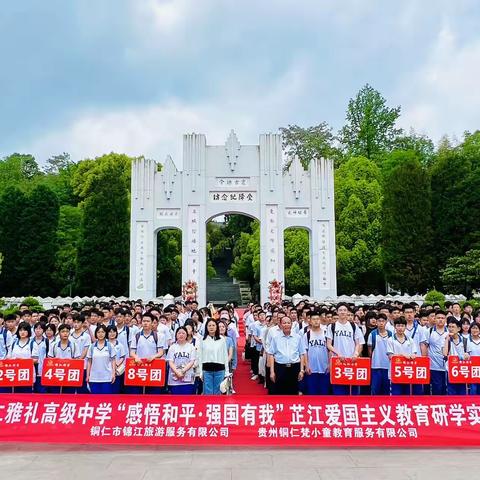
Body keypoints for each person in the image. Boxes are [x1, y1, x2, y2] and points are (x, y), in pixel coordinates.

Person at [326, 303, 365, 395]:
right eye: (340, 310)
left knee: (354, 388)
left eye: (344, 310)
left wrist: (356, 353)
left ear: (347, 312)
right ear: (337, 312)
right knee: (339, 389)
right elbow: (328, 344)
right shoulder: (332, 326)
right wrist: (338, 353)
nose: (342, 312)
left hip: (352, 361)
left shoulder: (353, 326)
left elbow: (358, 343)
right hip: (338, 361)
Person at [267, 316, 306, 395]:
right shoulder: (275, 338)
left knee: (293, 391)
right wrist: (272, 371)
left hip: (294, 367)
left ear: (291, 324)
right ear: (280, 325)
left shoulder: (298, 337)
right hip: (280, 367)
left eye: (288, 323)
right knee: (279, 392)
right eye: (284, 323)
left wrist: (302, 370)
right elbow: (271, 354)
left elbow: (302, 354)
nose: (286, 325)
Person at [386, 317, 417, 395]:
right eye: (398, 326)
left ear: (405, 327)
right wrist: (403, 356)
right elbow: (390, 356)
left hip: (407, 372)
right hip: (395, 372)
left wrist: (412, 356)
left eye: (402, 326)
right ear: (395, 327)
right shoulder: (390, 340)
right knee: (396, 394)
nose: (400, 328)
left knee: (407, 395)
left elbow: (414, 353)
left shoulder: (410, 340)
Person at [198, 319, 229, 395]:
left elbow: (225, 355)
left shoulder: (222, 339)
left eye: (213, 325)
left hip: (220, 369)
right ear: (206, 327)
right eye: (209, 325)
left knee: (218, 391)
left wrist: (227, 372)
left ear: (216, 327)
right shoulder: (202, 340)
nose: (211, 327)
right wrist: (200, 372)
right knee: (207, 392)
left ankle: (216, 407)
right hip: (207, 369)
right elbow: (200, 356)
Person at [421, 310, 449, 395]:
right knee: (436, 388)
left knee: (446, 389)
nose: (440, 320)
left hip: (447, 366)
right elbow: (424, 346)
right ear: (434, 319)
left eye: (442, 318)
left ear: (445, 320)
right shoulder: (429, 331)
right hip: (433, 366)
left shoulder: (449, 331)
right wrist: (425, 362)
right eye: (438, 318)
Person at [303, 311, 330, 395]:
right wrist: (306, 366)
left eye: (317, 319)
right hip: (312, 369)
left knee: (324, 393)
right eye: (313, 319)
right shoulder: (306, 335)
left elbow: (330, 350)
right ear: (310, 321)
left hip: (325, 368)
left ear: (321, 320)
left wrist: (329, 364)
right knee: (312, 393)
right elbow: (304, 351)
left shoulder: (326, 334)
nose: (316, 321)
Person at [7, 321, 38, 393]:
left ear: (28, 331)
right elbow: (9, 357)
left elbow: (35, 360)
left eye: (25, 330)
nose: (22, 332)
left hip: (27, 374)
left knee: (27, 395)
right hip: (15, 374)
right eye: (20, 330)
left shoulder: (32, 343)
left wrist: (22, 361)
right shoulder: (14, 343)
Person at [443, 319, 470, 395]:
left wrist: (466, 355)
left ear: (458, 328)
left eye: (453, 327)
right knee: (451, 392)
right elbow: (445, 353)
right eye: (449, 327)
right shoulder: (446, 339)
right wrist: (447, 339)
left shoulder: (464, 340)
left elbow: (468, 354)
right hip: (450, 370)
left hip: (462, 370)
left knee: (462, 392)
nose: (451, 329)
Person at [86, 324, 116, 394]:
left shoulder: (109, 346)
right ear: (96, 333)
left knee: (106, 400)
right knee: (95, 400)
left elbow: (113, 360)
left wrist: (113, 374)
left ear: (105, 333)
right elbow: (89, 362)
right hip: (94, 378)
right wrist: (88, 375)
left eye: (102, 332)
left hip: (107, 377)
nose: (100, 334)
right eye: (98, 332)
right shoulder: (92, 346)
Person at [166, 326, 197, 394]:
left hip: (187, 378)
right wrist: (177, 372)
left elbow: (192, 361)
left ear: (186, 335)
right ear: (176, 335)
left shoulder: (191, 347)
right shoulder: (172, 347)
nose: (181, 335)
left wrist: (182, 371)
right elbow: (170, 361)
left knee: (187, 400)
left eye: (183, 333)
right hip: (174, 379)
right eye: (179, 333)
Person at [367, 314, 392, 395]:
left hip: (388, 366)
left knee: (387, 390)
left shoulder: (391, 334)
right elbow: (370, 350)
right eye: (379, 321)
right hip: (376, 365)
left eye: (383, 321)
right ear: (376, 322)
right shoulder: (372, 334)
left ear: (386, 322)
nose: (381, 323)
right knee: (375, 389)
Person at [69, 314, 92, 393]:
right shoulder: (69, 335)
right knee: (71, 387)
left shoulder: (86, 336)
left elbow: (86, 350)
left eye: (78, 322)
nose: (76, 324)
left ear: (82, 323)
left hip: (83, 365)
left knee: (82, 387)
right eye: (74, 322)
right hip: (71, 365)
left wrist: (79, 360)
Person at [107, 325, 127, 394]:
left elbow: (122, 356)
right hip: (107, 369)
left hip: (117, 371)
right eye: (110, 332)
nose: (112, 333)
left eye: (114, 332)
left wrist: (117, 364)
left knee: (116, 389)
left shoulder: (120, 345)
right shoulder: (105, 344)